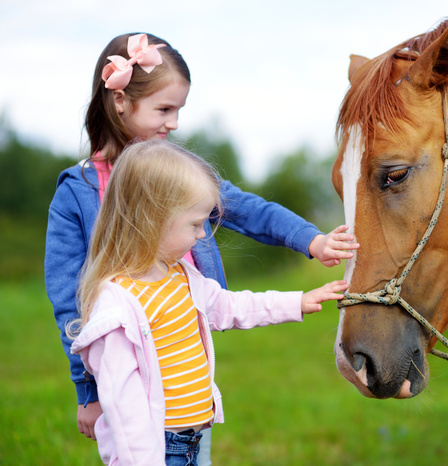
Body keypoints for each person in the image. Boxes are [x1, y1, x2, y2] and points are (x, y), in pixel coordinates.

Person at [44, 32, 358, 464]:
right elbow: (68, 298)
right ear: (120, 102)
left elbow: (248, 209)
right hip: (126, 356)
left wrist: (312, 240)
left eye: (179, 110)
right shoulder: (76, 191)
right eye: (164, 109)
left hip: (183, 351)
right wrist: (87, 391)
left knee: (191, 435)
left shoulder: (179, 173)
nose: (173, 123)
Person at [69, 140, 349, 465]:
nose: (203, 235)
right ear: (151, 220)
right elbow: (124, 411)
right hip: (160, 452)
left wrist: (298, 301)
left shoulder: (182, 277)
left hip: (195, 440)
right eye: (194, 224)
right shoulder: (118, 307)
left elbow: (230, 307)